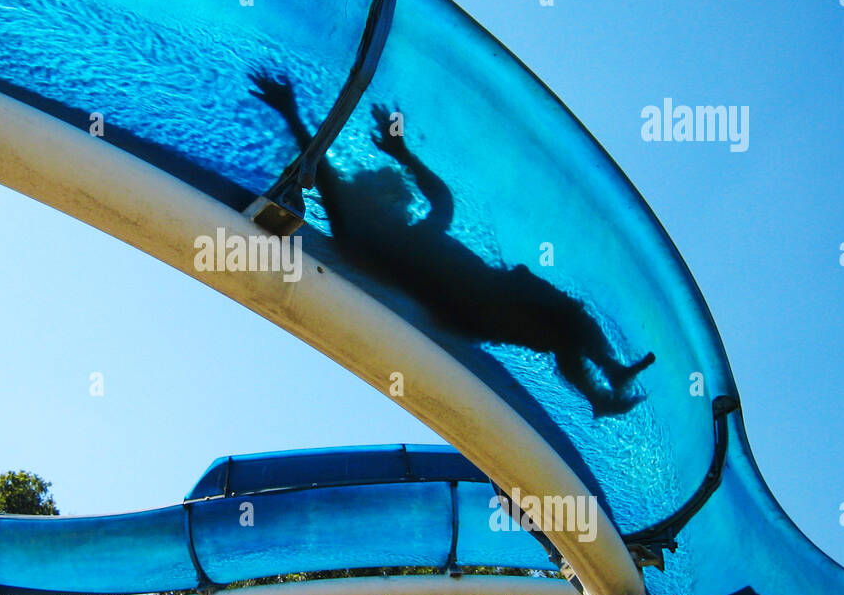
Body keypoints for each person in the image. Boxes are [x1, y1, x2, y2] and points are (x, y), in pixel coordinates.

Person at [250, 71, 655, 417]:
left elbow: (442, 200)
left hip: (487, 296)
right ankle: (602, 386)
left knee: (559, 315)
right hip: (467, 310)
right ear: (372, 201)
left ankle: (607, 377)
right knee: (557, 325)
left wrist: (404, 153)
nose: (398, 205)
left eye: (396, 199)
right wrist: (289, 111)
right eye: (389, 198)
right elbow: (325, 174)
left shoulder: (411, 233)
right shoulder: (361, 234)